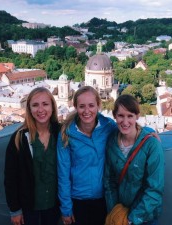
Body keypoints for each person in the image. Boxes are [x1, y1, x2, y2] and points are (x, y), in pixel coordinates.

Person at [57, 86, 117, 225]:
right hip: (78, 201)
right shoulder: (67, 133)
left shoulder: (108, 126)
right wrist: (66, 209)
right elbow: (63, 174)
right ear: (75, 107)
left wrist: (148, 132)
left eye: (91, 105)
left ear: (98, 105)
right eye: (82, 106)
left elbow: (128, 127)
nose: (87, 111)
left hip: (104, 199)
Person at [104, 94, 164, 225]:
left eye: (130, 116)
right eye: (121, 116)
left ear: (137, 116)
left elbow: (154, 189)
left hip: (145, 218)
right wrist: (115, 210)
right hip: (121, 214)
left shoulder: (152, 145)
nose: (125, 122)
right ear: (115, 116)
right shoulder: (112, 142)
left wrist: (132, 219)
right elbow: (109, 182)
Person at [4, 87, 61, 225]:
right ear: (29, 109)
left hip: (55, 206)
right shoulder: (19, 139)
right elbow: (11, 178)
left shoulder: (61, 134)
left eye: (45, 104)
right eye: (35, 105)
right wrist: (15, 210)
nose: (40, 110)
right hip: (29, 209)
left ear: (52, 107)